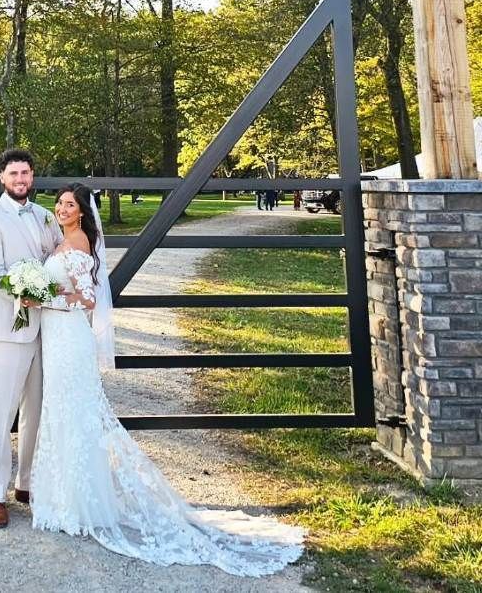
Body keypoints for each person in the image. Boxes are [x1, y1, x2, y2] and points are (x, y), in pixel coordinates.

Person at [27, 182, 306, 576]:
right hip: (54, 339)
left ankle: (79, 503)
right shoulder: (59, 240)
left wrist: (45, 299)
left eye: (69, 205)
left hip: (70, 338)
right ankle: (62, 498)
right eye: (59, 203)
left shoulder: (80, 246)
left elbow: (87, 300)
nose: (62, 209)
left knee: (75, 412)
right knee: (59, 411)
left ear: (83, 212)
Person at [0, 148, 63, 528]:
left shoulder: (46, 216)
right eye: (14, 173)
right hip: (7, 329)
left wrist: (54, 292)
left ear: (32, 176)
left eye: (26, 172)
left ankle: (26, 483)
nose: (21, 179)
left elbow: (60, 256)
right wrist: (29, 292)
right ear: (2, 178)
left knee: (36, 412)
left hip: (48, 330)